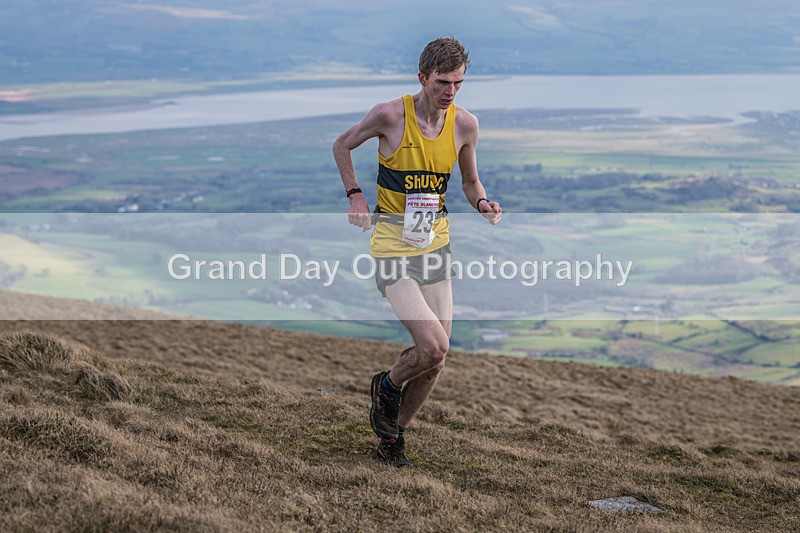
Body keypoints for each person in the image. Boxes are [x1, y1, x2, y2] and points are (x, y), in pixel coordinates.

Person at [332, 36, 502, 469]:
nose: (450, 92)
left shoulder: (465, 125)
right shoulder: (390, 116)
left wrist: (482, 202)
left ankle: (392, 439)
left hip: (436, 246)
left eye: (459, 83)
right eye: (443, 82)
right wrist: (355, 195)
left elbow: (468, 182)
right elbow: (342, 145)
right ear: (422, 77)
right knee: (431, 346)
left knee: (437, 360)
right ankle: (387, 385)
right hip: (392, 247)